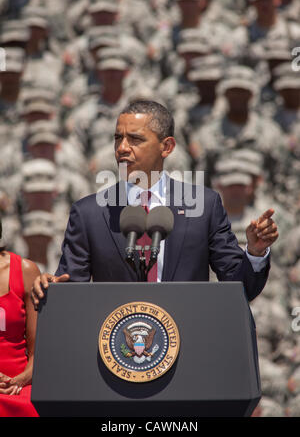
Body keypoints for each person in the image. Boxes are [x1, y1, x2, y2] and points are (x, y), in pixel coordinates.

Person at [31, 100, 278, 307]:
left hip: (189, 348)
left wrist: (255, 253)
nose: (122, 148)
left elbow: (241, 289)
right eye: (118, 138)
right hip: (115, 352)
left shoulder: (204, 206)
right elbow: (71, 291)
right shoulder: (89, 214)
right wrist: (52, 288)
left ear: (167, 146)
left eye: (135, 139)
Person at [0, 220, 40, 417]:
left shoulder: (25, 270)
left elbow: (37, 351)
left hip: (17, 383)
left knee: (32, 406)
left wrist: (21, 379)